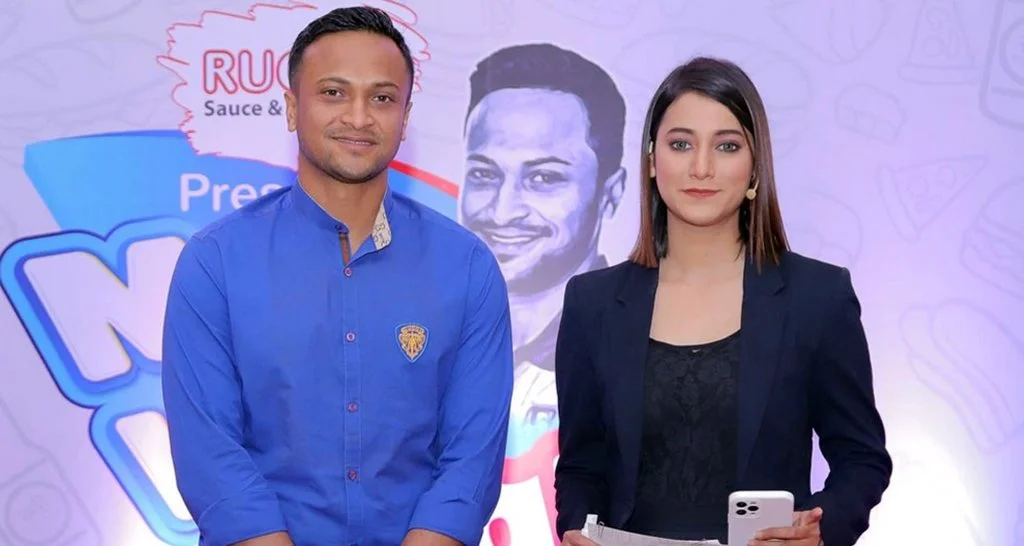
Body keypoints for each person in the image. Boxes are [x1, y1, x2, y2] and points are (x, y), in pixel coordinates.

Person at [161, 7, 513, 546]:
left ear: (405, 117)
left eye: (382, 98)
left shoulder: (466, 266)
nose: (359, 117)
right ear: (291, 107)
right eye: (333, 93)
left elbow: (471, 461)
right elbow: (212, 460)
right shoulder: (215, 263)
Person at [554, 57, 892, 546]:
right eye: (681, 144)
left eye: (727, 146)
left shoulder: (818, 297)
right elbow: (581, 466)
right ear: (651, 161)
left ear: (755, 168)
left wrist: (820, 529)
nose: (701, 167)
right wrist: (575, 528)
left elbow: (862, 458)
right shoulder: (592, 304)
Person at [459, 43, 627, 443]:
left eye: (543, 178)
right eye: (484, 174)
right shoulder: (425, 332)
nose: (503, 211)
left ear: (611, 194)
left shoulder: (635, 347)